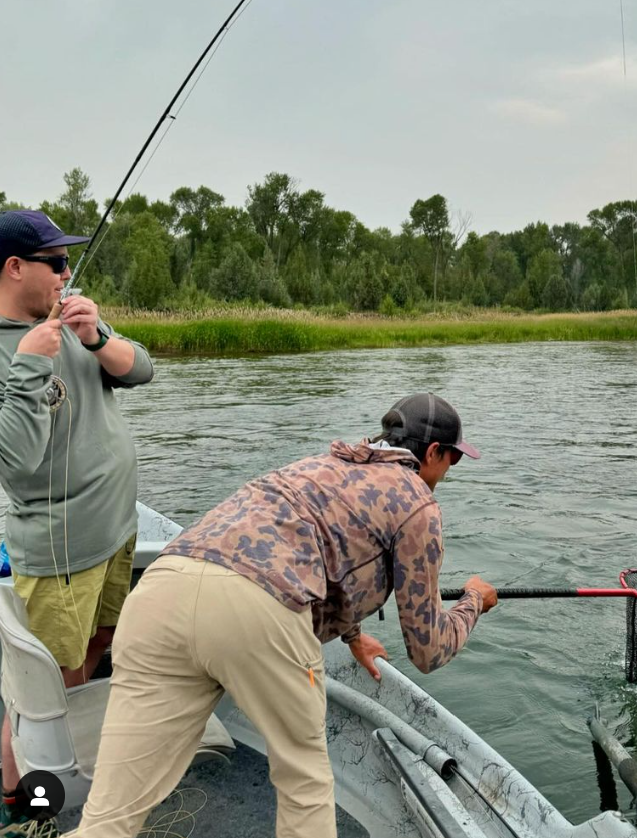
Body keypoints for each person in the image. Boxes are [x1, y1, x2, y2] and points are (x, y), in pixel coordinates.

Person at [68, 393, 498, 838]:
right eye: (453, 461)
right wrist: (472, 602)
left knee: (110, 811)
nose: (447, 472)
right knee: (304, 783)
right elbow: (427, 650)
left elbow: (325, 549)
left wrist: (353, 636)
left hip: (161, 590)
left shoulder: (323, 464)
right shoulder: (418, 503)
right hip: (256, 612)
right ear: (433, 453)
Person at [0, 210, 154, 832]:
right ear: (14, 268)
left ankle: (69, 761)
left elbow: (141, 369)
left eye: (68, 261)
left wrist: (97, 339)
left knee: (99, 644)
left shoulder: (69, 319)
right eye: (56, 263)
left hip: (116, 531)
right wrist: (34, 365)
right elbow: (15, 458)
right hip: (60, 550)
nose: (67, 273)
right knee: (44, 687)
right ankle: (27, 794)